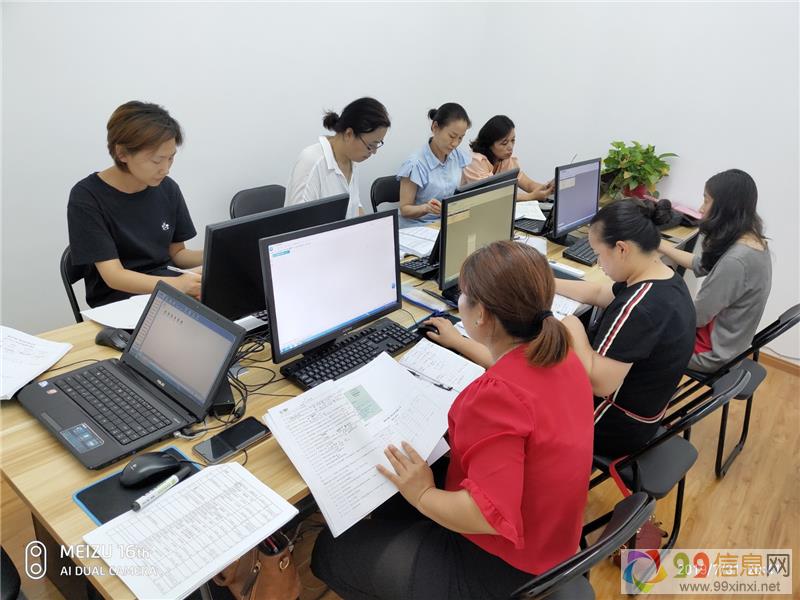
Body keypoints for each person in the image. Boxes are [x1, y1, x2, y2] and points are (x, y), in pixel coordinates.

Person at [311, 241, 594, 599]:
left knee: (329, 551)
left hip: (500, 569)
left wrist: (423, 493)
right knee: (396, 497)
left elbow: (485, 515)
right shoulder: (560, 351)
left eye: (462, 295)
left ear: (481, 315)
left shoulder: (497, 397)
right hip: (554, 547)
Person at [551, 199, 696, 459]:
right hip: (644, 413)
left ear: (621, 249)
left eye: (598, 254)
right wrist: (548, 284)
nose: (598, 264)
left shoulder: (638, 309)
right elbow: (598, 292)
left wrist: (573, 328)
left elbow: (599, 384)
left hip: (612, 426)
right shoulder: (663, 277)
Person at [67, 101, 202, 308]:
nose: (166, 169)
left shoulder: (167, 188)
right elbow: (114, 276)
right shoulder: (87, 197)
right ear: (122, 153)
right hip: (119, 302)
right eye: (157, 161)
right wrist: (178, 285)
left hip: (169, 293)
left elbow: (177, 254)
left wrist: (219, 256)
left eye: (171, 158)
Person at [657, 169, 771, 373]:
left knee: (640, 328)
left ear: (725, 207)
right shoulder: (752, 241)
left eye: (706, 200)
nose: (701, 209)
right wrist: (661, 245)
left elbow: (695, 317)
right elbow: (701, 264)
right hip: (729, 343)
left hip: (710, 352)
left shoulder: (736, 261)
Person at [286, 97, 390, 218]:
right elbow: (298, 222)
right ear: (349, 134)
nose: (374, 152)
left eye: (378, 144)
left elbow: (355, 207)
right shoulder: (312, 162)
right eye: (371, 145)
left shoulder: (351, 160)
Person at [397, 103, 471, 226]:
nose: (455, 143)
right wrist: (426, 208)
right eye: (452, 136)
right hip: (419, 226)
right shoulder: (415, 164)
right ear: (435, 127)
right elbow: (405, 209)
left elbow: (461, 191)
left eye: (460, 138)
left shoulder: (458, 156)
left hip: (445, 222)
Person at [462, 115, 554, 201]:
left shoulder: (506, 159)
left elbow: (528, 184)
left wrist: (548, 189)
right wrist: (531, 196)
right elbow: (491, 196)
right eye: (504, 143)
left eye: (513, 140)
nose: (510, 147)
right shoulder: (476, 161)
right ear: (489, 143)